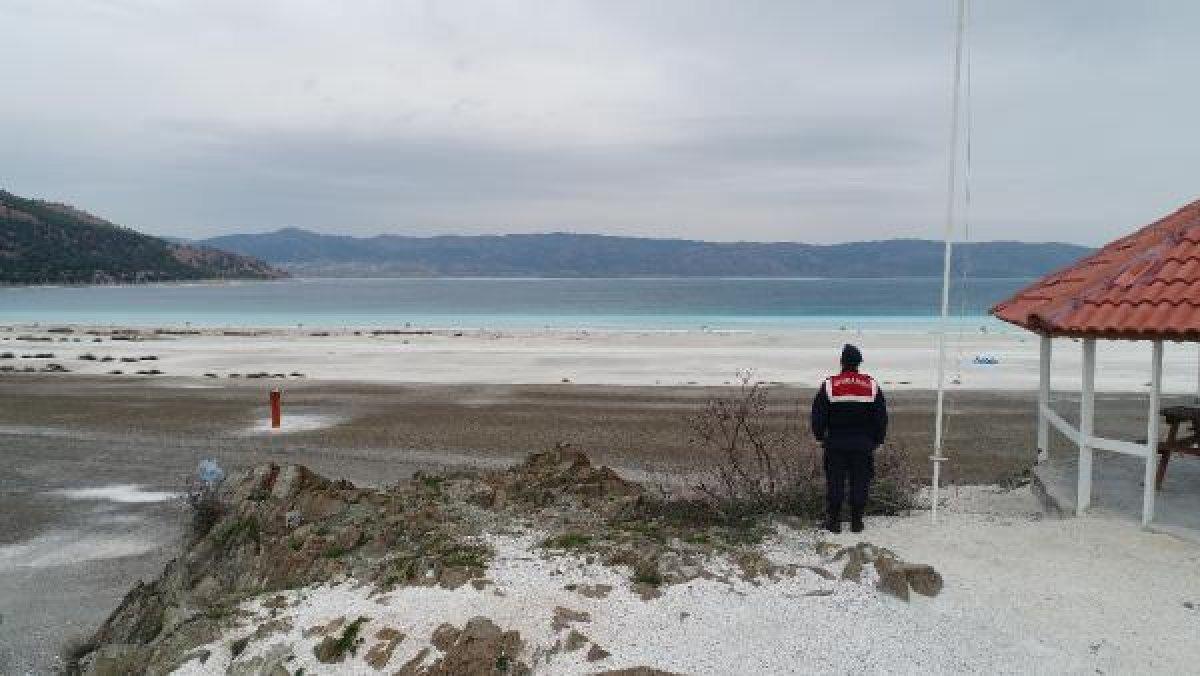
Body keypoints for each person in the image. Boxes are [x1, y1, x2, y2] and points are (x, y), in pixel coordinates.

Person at [810, 344, 888, 533]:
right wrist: (878, 440)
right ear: (859, 363)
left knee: (835, 482)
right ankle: (856, 522)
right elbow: (881, 417)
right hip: (863, 443)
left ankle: (834, 521)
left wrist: (820, 436)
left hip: (835, 442)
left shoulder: (830, 385)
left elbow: (818, 414)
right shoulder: (871, 385)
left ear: (842, 362)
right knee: (860, 481)